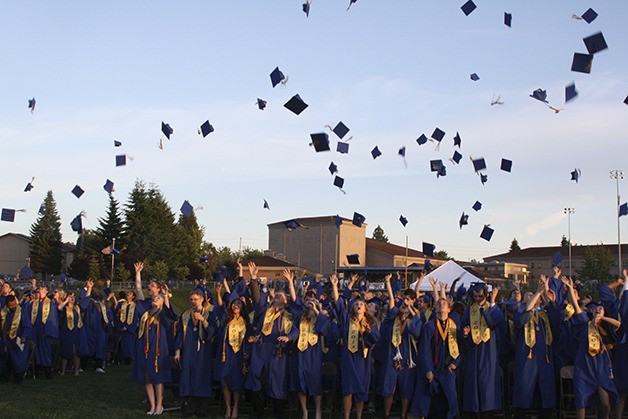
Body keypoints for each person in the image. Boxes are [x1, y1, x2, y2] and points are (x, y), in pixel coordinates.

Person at [563, 277, 622, 419]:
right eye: (596, 308)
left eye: (601, 308)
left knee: (605, 403)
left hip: (601, 366)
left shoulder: (606, 327)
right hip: (584, 365)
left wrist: (602, 318)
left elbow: (618, 324)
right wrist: (571, 288)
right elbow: (577, 307)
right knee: (581, 400)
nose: (598, 309)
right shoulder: (585, 323)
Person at [246, 262, 297, 419]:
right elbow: (257, 299)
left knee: (277, 384)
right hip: (261, 350)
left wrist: (289, 337)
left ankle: (278, 414)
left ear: (286, 302)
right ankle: (258, 413)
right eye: (276, 295)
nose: (276, 297)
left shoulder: (289, 317)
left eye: (280, 296)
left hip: (277, 352)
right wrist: (254, 278)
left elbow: (296, 330)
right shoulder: (264, 312)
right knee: (258, 381)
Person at [330, 274, 380, 419]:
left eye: (361, 304)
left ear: (365, 309)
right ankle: (346, 416)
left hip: (363, 358)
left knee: (362, 390)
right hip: (348, 358)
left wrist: (368, 331)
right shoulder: (347, 320)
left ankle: (358, 416)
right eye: (356, 304)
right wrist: (334, 286)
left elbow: (376, 339)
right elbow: (339, 304)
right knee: (348, 389)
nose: (358, 305)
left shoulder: (371, 323)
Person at [284, 269, 331, 419]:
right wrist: (291, 283)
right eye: (308, 303)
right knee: (301, 382)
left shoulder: (320, 317)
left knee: (315, 382)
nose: (309, 304)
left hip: (314, 354)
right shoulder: (300, 316)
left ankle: (317, 410)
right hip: (300, 353)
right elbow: (294, 301)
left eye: (313, 302)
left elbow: (325, 330)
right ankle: (304, 410)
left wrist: (317, 310)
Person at [377, 274, 422, 419]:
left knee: (406, 388)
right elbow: (391, 301)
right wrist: (388, 283)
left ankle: (403, 414)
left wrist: (410, 308)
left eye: (407, 304)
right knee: (390, 387)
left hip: (408, 357)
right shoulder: (394, 316)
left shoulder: (414, 318)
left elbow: (417, 331)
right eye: (403, 304)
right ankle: (387, 414)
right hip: (392, 356)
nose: (405, 306)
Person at [410, 295, 462, 419]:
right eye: (439, 303)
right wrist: (428, 370)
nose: (441, 304)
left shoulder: (454, 327)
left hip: (448, 368)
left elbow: (460, 348)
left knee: (451, 397)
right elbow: (425, 350)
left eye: (444, 303)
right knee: (429, 400)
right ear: (435, 308)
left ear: (449, 309)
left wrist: (456, 362)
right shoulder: (429, 326)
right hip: (433, 367)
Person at [511, 277, 556, 419]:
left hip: (544, 357)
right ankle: (520, 413)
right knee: (524, 384)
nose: (530, 296)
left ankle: (546, 412)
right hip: (526, 356)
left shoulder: (545, 314)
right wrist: (538, 292)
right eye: (527, 296)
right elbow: (523, 316)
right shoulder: (520, 312)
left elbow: (558, 318)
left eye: (532, 294)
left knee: (545, 385)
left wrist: (548, 294)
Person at [460, 283, 504, 418]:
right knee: (473, 383)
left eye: (480, 296)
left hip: (489, 351)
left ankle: (488, 411)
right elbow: (463, 329)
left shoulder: (493, 308)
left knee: (487, 383)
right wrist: (465, 334)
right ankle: (474, 412)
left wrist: (491, 304)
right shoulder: (469, 310)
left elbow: (495, 324)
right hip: (474, 351)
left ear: (486, 295)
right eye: (475, 296)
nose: (477, 299)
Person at [174, 289, 217, 418]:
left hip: (203, 350)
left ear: (202, 299)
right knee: (188, 376)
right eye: (191, 299)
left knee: (201, 377)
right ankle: (189, 408)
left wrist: (203, 320)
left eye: (196, 299)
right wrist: (178, 350)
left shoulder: (210, 313)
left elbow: (213, 332)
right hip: (188, 350)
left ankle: (201, 409)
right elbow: (180, 334)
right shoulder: (186, 314)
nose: (193, 302)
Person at [132, 293, 176, 416]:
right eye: (154, 298)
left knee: (158, 377)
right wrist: (138, 277)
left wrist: (166, 297)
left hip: (158, 349)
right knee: (147, 378)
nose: (154, 299)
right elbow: (140, 295)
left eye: (158, 298)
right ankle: (152, 405)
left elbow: (171, 316)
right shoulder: (146, 314)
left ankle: (159, 405)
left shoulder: (163, 315)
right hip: (145, 348)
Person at [215, 280, 249, 419]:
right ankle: (228, 407)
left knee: (236, 381)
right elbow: (221, 306)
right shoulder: (226, 318)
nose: (236, 305)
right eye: (234, 303)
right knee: (224, 380)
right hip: (226, 352)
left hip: (238, 353)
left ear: (242, 306)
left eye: (238, 304)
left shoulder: (246, 321)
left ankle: (236, 407)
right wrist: (218, 293)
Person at [78, 280, 113, 373]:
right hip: (88, 327)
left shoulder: (102, 304)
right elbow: (82, 304)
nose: (96, 292)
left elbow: (108, 315)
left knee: (100, 347)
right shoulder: (88, 302)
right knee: (86, 346)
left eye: (97, 291)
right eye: (94, 291)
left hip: (100, 328)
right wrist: (87, 288)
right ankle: (83, 366)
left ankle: (98, 366)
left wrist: (108, 323)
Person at [28, 280, 59, 379]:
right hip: (35, 331)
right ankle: (36, 371)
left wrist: (48, 332)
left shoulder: (50, 304)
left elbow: (52, 319)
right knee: (36, 351)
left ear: (46, 291)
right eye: (39, 288)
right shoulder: (34, 303)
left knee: (45, 352)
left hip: (45, 332)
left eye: (42, 288)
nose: (40, 289)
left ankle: (48, 373)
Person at [0, 295, 32, 384]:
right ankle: (4, 376)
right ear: (7, 305)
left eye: (14, 304)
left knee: (19, 359)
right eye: (11, 305)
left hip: (18, 339)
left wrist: (24, 336)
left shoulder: (21, 311)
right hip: (6, 340)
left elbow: (27, 326)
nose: (14, 307)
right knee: (5, 358)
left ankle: (19, 377)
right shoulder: (3, 312)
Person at [57, 292, 87, 376]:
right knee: (65, 352)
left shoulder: (76, 308)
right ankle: (63, 371)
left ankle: (76, 370)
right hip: (66, 332)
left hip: (76, 332)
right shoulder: (65, 309)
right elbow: (59, 307)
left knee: (76, 352)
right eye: (71, 297)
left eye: (74, 297)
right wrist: (66, 300)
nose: (72, 298)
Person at [116, 290, 138, 363]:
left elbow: (135, 319)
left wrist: (127, 327)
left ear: (133, 297)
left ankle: (128, 360)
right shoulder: (122, 304)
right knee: (120, 344)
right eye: (128, 293)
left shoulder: (135, 306)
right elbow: (115, 314)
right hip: (120, 326)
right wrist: (117, 313)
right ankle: (119, 359)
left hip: (129, 329)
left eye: (130, 293)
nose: (128, 294)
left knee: (129, 345)